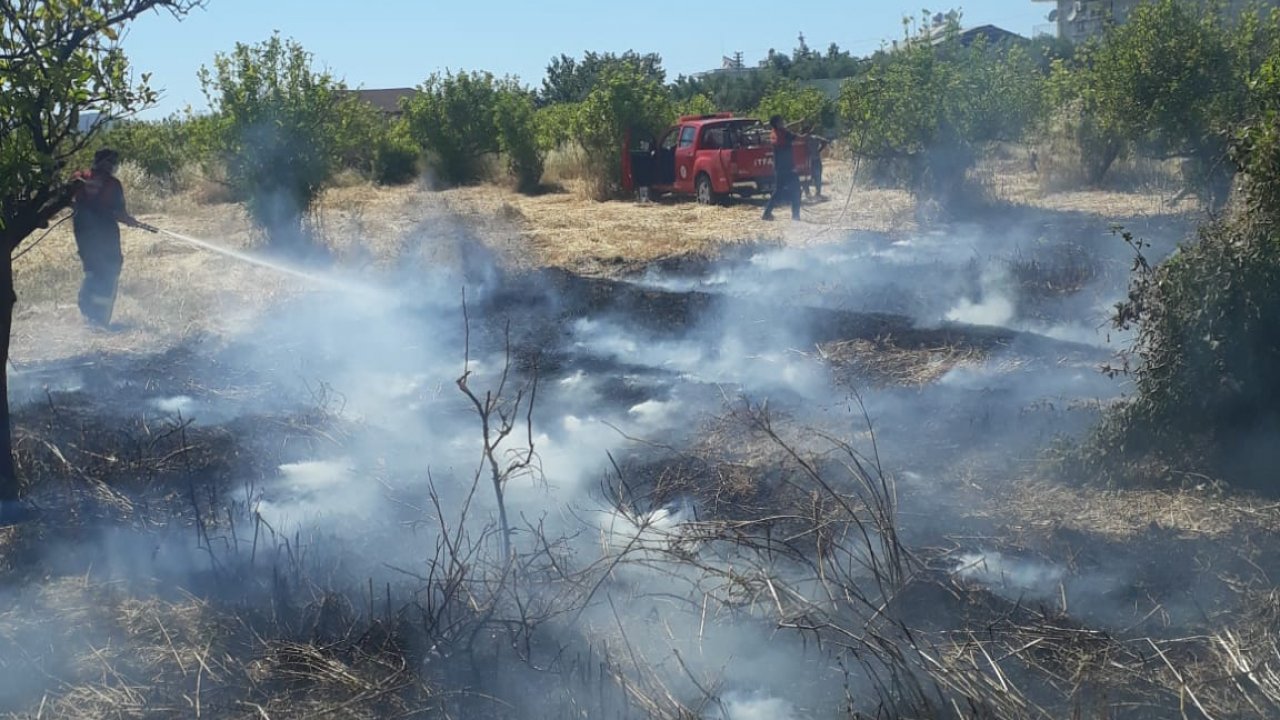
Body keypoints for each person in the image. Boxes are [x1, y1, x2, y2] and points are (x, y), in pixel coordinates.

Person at [69, 148, 153, 328]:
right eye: (110, 162)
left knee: (92, 269)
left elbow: (67, 201)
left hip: (82, 232)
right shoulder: (112, 184)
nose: (110, 166)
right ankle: (99, 318)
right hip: (105, 233)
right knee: (110, 268)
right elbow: (120, 213)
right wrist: (129, 220)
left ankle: (89, 312)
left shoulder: (78, 178)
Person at [762, 115, 801, 221]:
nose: (783, 122)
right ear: (777, 123)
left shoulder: (774, 133)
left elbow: (789, 132)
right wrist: (807, 133)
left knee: (778, 191)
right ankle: (795, 216)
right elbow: (798, 137)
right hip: (788, 168)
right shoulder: (784, 133)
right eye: (781, 121)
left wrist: (798, 122)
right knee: (796, 190)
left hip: (779, 168)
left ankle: (767, 213)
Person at [803, 131, 831, 199]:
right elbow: (825, 141)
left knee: (806, 178)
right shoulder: (815, 137)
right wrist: (819, 150)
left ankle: (808, 193)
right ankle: (817, 193)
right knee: (817, 177)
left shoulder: (802, 139)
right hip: (815, 159)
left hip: (807, 161)